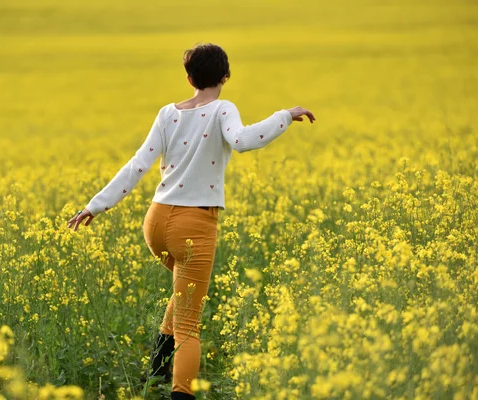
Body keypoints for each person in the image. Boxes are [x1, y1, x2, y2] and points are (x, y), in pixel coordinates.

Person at [67, 43, 315, 400]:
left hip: (155, 224)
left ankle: (154, 373)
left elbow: (137, 165)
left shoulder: (167, 113)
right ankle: (181, 394)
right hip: (193, 227)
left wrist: (95, 205)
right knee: (188, 324)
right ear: (226, 77)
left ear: (189, 78)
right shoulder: (222, 109)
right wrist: (285, 115)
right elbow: (243, 141)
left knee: (182, 295)